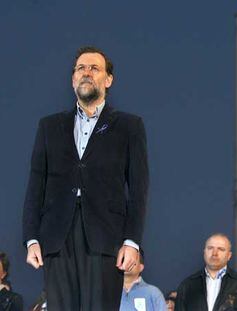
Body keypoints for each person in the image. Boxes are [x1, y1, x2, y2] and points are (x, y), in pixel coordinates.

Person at [22, 46, 149, 310]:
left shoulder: (129, 126)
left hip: (106, 238)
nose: (86, 73)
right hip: (57, 237)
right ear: (72, 80)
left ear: (108, 79)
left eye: (94, 68)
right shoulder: (49, 126)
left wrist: (132, 241)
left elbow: (138, 189)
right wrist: (31, 237)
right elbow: (36, 184)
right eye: (81, 68)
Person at [176, 233, 237, 311]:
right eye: (210, 248)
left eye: (221, 249)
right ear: (204, 252)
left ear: (229, 255)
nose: (214, 253)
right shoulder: (187, 286)